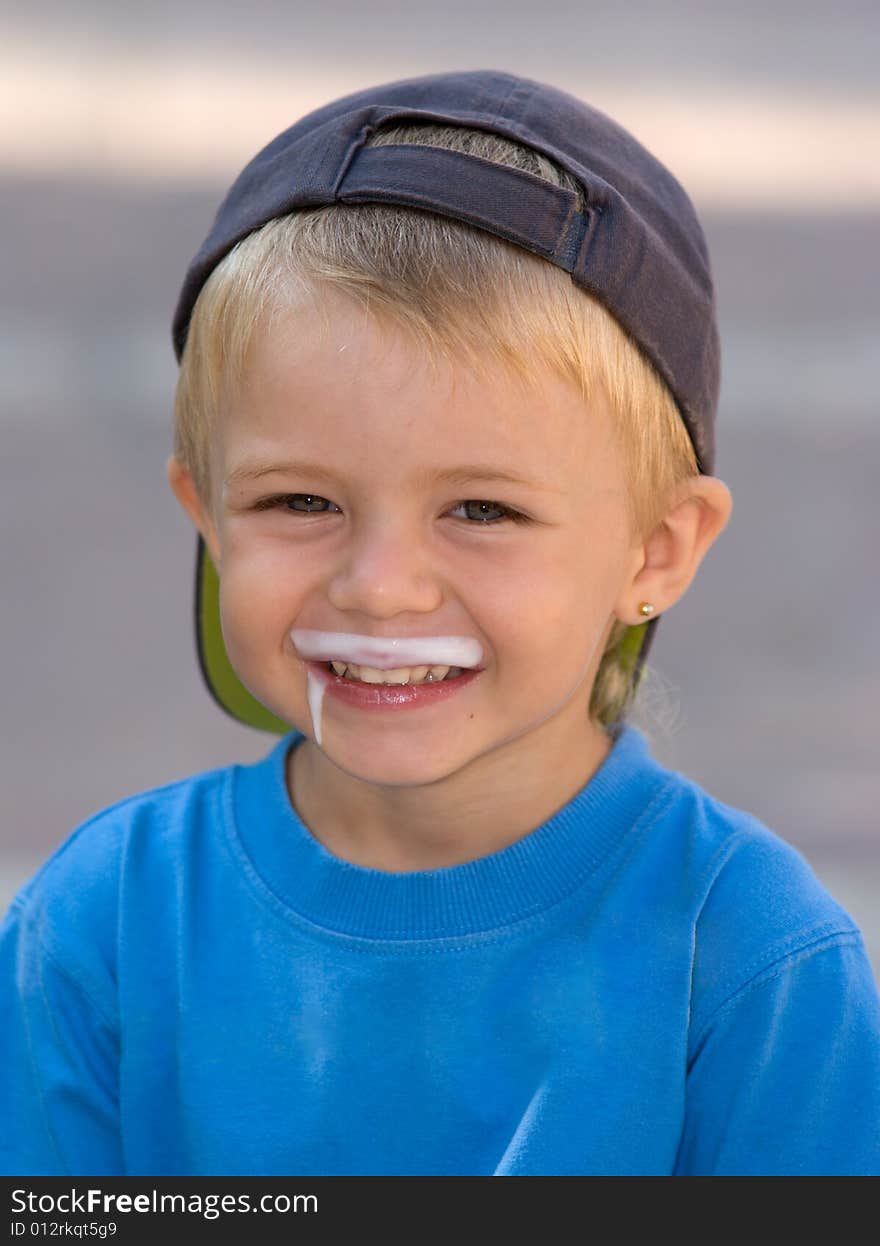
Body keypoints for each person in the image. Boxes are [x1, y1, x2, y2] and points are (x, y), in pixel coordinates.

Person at [3, 69, 879, 1178]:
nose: (380, 588)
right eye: (301, 503)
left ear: (655, 549)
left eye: (482, 510)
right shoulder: (103, 925)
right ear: (210, 519)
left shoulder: (752, 961)